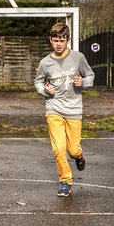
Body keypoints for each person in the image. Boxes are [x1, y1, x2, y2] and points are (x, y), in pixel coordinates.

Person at [34, 22, 94, 197]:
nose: (58, 44)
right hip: (54, 109)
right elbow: (38, 82)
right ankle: (65, 181)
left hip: (74, 109)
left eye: (62, 40)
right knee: (58, 149)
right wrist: (45, 90)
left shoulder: (78, 58)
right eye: (55, 40)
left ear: (68, 40)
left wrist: (83, 82)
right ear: (50, 40)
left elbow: (90, 75)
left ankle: (79, 156)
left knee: (73, 150)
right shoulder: (45, 63)